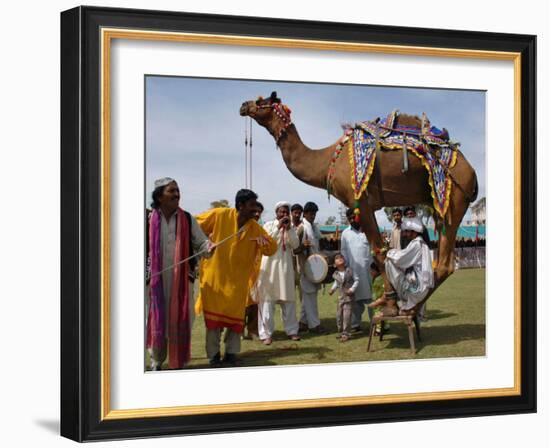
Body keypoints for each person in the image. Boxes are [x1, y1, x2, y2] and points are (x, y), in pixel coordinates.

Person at [195, 189, 277, 367]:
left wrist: (265, 244)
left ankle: (231, 354)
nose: (256, 210)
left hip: (238, 284)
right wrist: (205, 242)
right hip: (215, 280)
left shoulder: (255, 228)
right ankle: (214, 356)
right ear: (240, 205)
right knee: (214, 323)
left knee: (235, 322)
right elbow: (193, 225)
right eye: (252, 206)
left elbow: (272, 249)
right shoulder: (219, 215)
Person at [146, 177, 214, 371]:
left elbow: (201, 244)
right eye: (172, 191)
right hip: (153, 282)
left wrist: (209, 246)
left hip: (182, 282)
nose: (177, 194)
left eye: (178, 191)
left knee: (182, 320)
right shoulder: (147, 219)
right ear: (159, 196)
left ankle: (178, 364)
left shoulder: (187, 219)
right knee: (154, 318)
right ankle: (157, 362)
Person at [256, 201, 301, 345]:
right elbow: (267, 241)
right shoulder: (268, 225)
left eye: (286, 212)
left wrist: (289, 230)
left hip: (285, 270)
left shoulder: (291, 228)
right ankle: (266, 334)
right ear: (276, 213)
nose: (284, 214)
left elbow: (295, 245)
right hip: (269, 270)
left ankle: (292, 331)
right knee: (267, 302)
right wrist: (278, 226)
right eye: (281, 212)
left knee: (288, 301)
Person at [384, 217, 434, 316]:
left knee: (388, 262)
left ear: (414, 232)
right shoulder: (419, 243)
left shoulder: (417, 244)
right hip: (419, 285)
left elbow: (401, 258)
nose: (405, 234)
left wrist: (388, 252)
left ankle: (392, 297)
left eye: (407, 232)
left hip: (417, 289)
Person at [340, 208, 373, 333]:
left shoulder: (368, 230)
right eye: (350, 218)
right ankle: (354, 325)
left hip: (369, 272)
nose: (352, 220)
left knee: (372, 299)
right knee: (354, 301)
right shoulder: (345, 233)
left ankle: (376, 324)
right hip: (352, 271)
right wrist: (346, 268)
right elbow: (343, 251)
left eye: (354, 217)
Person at [295, 201, 325, 333]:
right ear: (305, 213)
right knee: (310, 296)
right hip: (305, 267)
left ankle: (303, 322)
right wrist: (303, 247)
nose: (313, 216)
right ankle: (314, 325)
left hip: (315, 266)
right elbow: (294, 249)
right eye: (310, 213)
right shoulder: (302, 228)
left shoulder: (314, 228)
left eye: (314, 213)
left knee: (309, 295)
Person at [243, 202, 264, 339]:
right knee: (241, 304)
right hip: (240, 273)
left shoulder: (260, 230)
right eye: (254, 211)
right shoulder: (239, 227)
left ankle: (253, 331)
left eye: (259, 212)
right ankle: (238, 331)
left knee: (255, 303)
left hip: (257, 272)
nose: (257, 214)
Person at [328, 254, 359, 342]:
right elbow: (336, 283)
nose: (339, 259)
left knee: (347, 315)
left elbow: (357, 280)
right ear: (334, 264)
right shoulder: (335, 274)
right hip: (340, 297)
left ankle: (346, 333)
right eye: (337, 258)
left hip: (349, 297)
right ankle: (341, 331)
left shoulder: (350, 270)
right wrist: (332, 289)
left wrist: (352, 289)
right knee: (339, 316)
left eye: (341, 257)